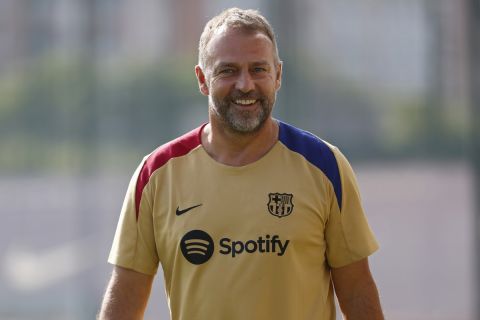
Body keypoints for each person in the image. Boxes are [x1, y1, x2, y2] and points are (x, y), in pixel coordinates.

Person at [98, 7, 384, 320]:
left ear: (278, 76)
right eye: (228, 70)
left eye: (258, 69)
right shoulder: (156, 174)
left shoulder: (324, 166)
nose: (245, 85)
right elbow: (126, 293)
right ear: (202, 79)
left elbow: (357, 289)